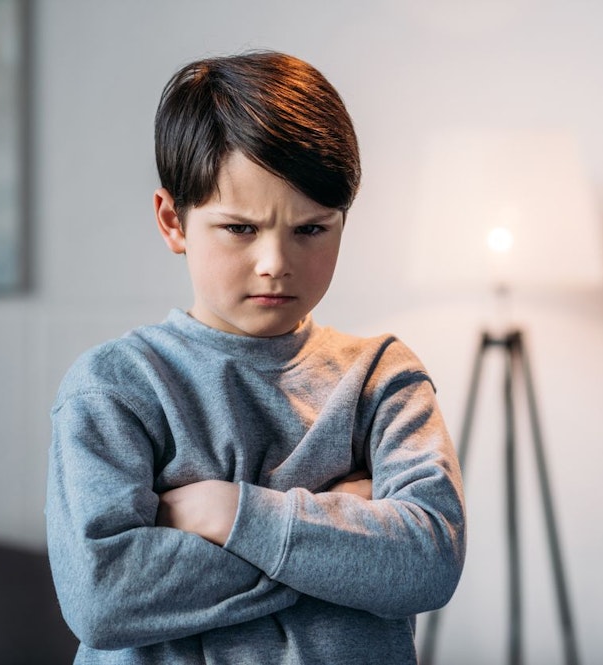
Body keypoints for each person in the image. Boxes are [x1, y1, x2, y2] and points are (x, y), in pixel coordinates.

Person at [46, 50, 466, 664]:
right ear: (173, 222)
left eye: (311, 229)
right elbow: (103, 596)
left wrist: (229, 512)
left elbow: (427, 563)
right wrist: (345, 541)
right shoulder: (114, 386)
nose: (276, 262)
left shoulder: (383, 376)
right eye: (240, 229)